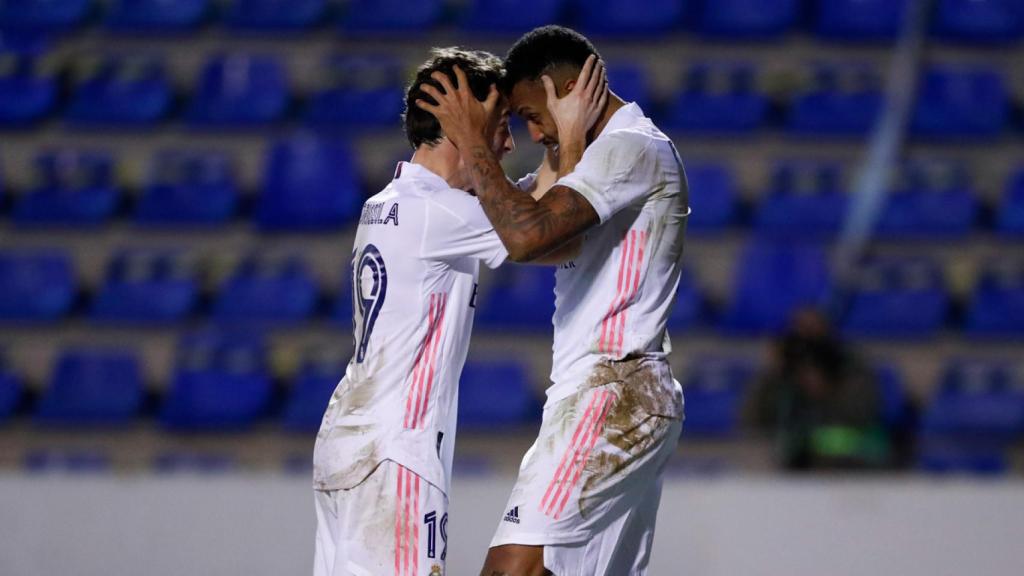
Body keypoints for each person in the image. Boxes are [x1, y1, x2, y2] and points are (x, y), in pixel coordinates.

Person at [311, 47, 605, 576]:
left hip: (347, 444)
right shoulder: (438, 212)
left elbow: (519, 202)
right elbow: (555, 237)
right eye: (497, 128)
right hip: (397, 455)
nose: (509, 144)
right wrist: (573, 135)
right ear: (460, 126)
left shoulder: (390, 201)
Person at [416, 25, 690, 575]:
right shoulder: (594, 154)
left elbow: (528, 234)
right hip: (605, 391)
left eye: (529, 114)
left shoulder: (629, 149)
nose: (530, 131)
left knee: (511, 570)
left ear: (563, 88)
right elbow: (516, 215)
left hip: (614, 387)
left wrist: (472, 137)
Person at [744, 309, 893, 470]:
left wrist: (826, 390)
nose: (808, 341)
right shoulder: (786, 375)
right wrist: (772, 377)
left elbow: (861, 415)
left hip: (854, 465)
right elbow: (752, 420)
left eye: (813, 332)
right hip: (796, 469)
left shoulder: (853, 369)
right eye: (800, 333)